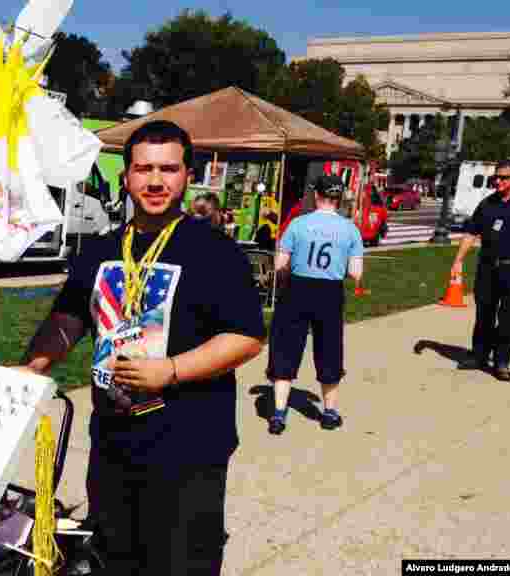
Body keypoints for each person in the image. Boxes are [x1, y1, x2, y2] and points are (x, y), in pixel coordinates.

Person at [18, 120, 265, 575]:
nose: (155, 181)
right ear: (125, 177)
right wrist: (31, 368)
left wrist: (169, 370)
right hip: (114, 440)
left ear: (188, 175)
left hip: (189, 443)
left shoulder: (215, 251)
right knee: (113, 558)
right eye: (143, 168)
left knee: (179, 562)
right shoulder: (99, 250)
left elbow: (246, 337)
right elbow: (70, 317)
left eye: (168, 169)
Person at [265, 175, 363, 435]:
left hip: (297, 289)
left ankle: (278, 413)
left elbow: (279, 264)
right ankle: (329, 412)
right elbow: (355, 272)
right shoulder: (350, 229)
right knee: (329, 347)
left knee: (286, 345)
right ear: (339, 198)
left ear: (317, 196)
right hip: (329, 292)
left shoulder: (298, 224)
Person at [452, 158, 510, 381]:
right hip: (487, 267)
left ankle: (502, 361)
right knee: (484, 313)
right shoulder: (487, 204)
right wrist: (458, 260)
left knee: (509, 316)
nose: (498, 181)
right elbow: (471, 233)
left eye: (504, 177)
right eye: (496, 177)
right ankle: (479, 355)